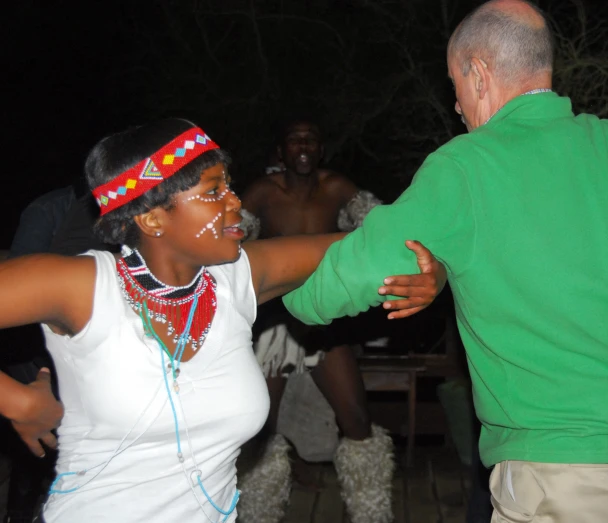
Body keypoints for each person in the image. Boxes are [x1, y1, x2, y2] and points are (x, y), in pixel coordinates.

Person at [279, 1, 608, 522]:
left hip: (568, 474)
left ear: (478, 74)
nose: (458, 108)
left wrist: (272, 293)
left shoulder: (467, 167)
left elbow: (347, 279)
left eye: (455, 87)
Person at [0, 117, 445, 523]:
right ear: (153, 216)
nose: (235, 203)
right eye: (214, 192)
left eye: (228, 186)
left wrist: (432, 269)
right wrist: (16, 402)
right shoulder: (83, 285)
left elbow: (364, 244)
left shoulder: (237, 278)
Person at [238, 115, 391, 523]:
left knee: (357, 419)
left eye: (310, 139)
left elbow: (381, 230)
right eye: (294, 139)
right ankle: (257, 515)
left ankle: (373, 515)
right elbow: (228, 243)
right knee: (258, 429)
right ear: (281, 151)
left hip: (323, 319)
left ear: (320, 149)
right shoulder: (262, 192)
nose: (302, 145)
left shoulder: (337, 187)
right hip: (273, 321)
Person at [1, 180, 114, 523]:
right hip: (45, 353)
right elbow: (22, 279)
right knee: (42, 447)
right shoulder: (52, 208)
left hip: (105, 356)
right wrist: (13, 398)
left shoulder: (137, 209)